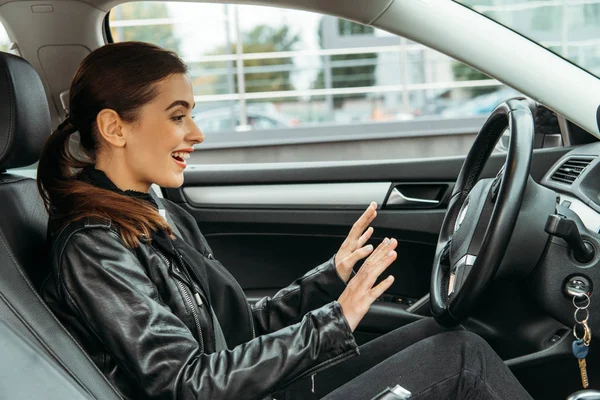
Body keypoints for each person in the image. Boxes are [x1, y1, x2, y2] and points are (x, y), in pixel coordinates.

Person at [37, 41, 533, 400]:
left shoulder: (154, 212)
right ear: (113, 127)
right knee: (459, 361)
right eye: (177, 115)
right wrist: (335, 320)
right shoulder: (93, 245)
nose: (198, 133)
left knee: (442, 337)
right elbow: (185, 384)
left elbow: (237, 332)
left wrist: (330, 279)